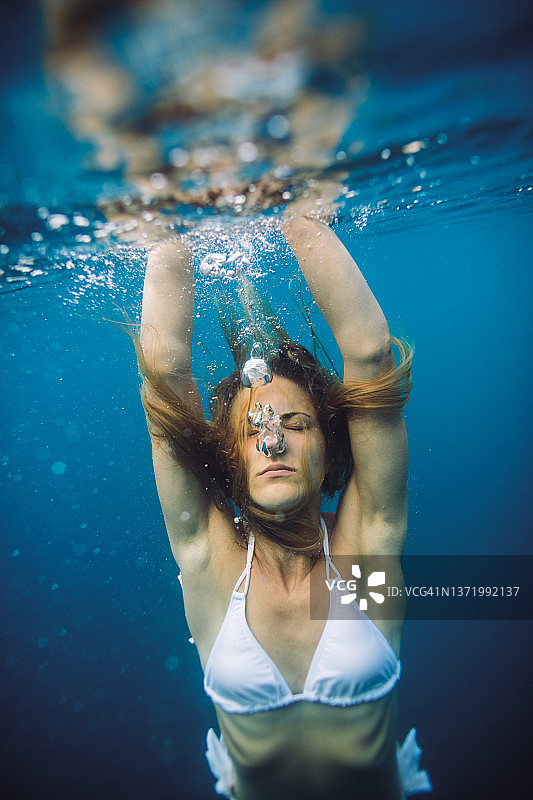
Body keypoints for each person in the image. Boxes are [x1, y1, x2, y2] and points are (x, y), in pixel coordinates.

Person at [133, 202, 432, 800]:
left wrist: (298, 216)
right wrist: (167, 230)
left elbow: (370, 354)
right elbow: (163, 375)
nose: (274, 441)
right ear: (231, 459)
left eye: (296, 423)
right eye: (252, 432)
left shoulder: (363, 553)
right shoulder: (208, 560)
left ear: (328, 448)